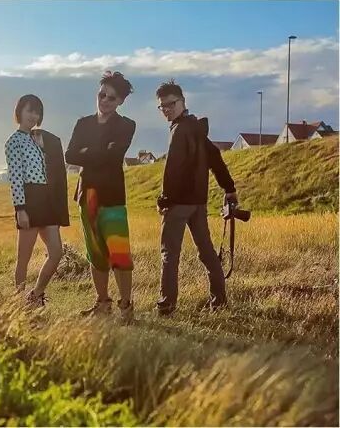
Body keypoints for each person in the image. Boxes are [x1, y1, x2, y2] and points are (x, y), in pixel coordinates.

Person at [155, 79, 238, 315]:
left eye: (171, 104)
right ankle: (219, 301)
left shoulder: (180, 130)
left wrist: (164, 200)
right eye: (162, 106)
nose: (167, 109)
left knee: (170, 254)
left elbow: (172, 168)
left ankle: (167, 305)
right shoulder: (196, 127)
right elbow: (215, 158)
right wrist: (229, 188)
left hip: (179, 204)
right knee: (207, 252)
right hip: (198, 204)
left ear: (182, 102)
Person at [65, 71, 136, 322]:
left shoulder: (126, 125)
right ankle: (102, 302)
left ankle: (126, 306)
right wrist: (100, 151)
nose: (104, 100)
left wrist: (87, 152)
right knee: (95, 253)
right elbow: (70, 155)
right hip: (87, 196)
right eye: (102, 94)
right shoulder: (83, 123)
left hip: (113, 197)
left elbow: (114, 156)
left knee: (119, 253)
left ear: (121, 101)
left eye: (111, 97)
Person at [4, 94, 69, 307]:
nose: (33, 115)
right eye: (29, 110)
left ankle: (36, 294)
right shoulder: (13, 141)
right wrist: (20, 208)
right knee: (24, 258)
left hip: (46, 200)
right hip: (29, 201)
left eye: (37, 112)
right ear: (20, 112)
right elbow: (15, 177)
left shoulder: (38, 139)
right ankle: (17, 305)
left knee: (56, 252)